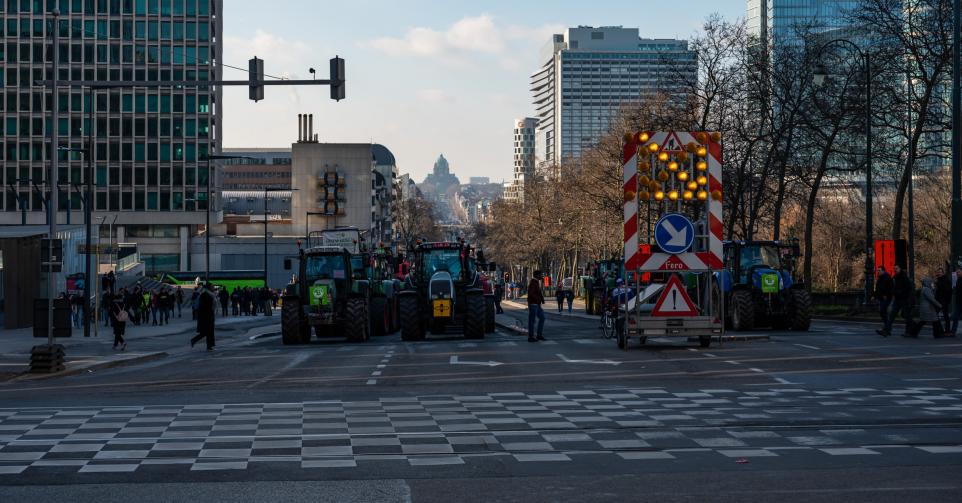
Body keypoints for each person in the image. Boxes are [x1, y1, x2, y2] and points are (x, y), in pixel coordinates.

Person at [880, 264, 914, 337]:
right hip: (897, 299)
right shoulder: (895, 277)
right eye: (894, 268)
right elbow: (892, 286)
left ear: (900, 269)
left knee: (907, 316)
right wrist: (893, 292)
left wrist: (900, 292)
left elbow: (908, 288)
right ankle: (887, 330)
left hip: (904, 299)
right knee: (891, 315)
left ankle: (909, 331)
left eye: (897, 268)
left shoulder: (904, 277)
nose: (895, 270)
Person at [191, 283, 217, 351]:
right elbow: (204, 306)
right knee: (207, 332)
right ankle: (194, 340)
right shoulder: (205, 295)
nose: (214, 287)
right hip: (206, 316)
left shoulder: (210, 294)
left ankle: (209, 346)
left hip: (209, 315)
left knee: (209, 331)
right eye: (212, 286)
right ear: (209, 288)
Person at [527, 271, 546, 342]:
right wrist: (538, 299)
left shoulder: (536, 282)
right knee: (532, 321)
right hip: (533, 304)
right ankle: (531, 337)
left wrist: (542, 299)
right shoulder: (533, 283)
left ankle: (539, 335)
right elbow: (531, 294)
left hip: (537, 304)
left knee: (542, 318)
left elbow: (538, 292)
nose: (542, 276)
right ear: (537, 275)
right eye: (541, 275)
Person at [935, 267, 953, 334]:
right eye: (938, 272)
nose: (939, 273)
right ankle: (941, 329)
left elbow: (947, 290)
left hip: (943, 300)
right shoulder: (938, 279)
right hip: (939, 300)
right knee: (935, 314)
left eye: (940, 272)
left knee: (945, 315)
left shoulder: (945, 280)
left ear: (943, 273)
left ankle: (947, 330)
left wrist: (947, 300)